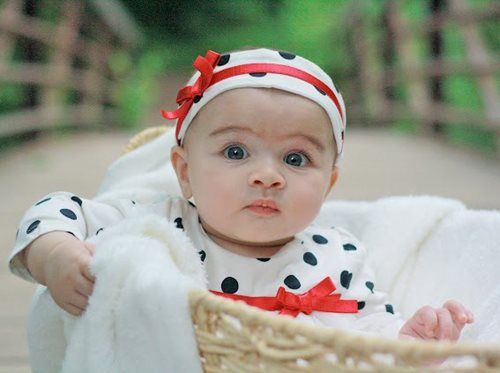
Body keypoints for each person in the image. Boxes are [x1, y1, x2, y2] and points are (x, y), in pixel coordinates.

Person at [9, 48, 473, 340]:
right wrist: (53, 255)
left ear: (329, 183)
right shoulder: (158, 224)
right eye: (236, 151)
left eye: (295, 159)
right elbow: (56, 209)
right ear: (185, 173)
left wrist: (414, 337)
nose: (267, 176)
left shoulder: (337, 252)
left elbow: (367, 330)